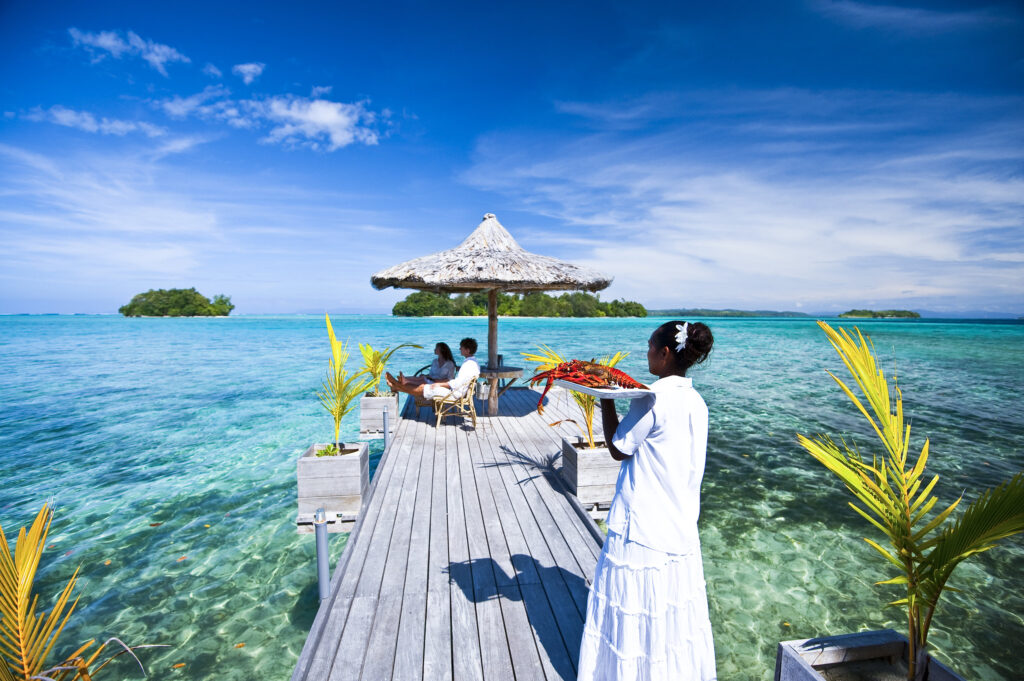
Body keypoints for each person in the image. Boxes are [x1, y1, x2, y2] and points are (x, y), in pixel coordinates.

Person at [577, 321, 717, 681]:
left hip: (642, 530)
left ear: (666, 352)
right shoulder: (697, 402)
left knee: (633, 612)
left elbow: (618, 448)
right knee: (670, 619)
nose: (647, 353)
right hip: (681, 526)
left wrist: (606, 398)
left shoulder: (652, 396)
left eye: (650, 346)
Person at [386, 337, 480, 401]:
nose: (460, 349)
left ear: (467, 350)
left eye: (462, 348)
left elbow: (456, 383)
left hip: (455, 393)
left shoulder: (468, 365)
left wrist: (439, 384)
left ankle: (397, 386)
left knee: (424, 387)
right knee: (424, 384)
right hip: (457, 391)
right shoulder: (472, 363)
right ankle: (397, 385)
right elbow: (459, 381)